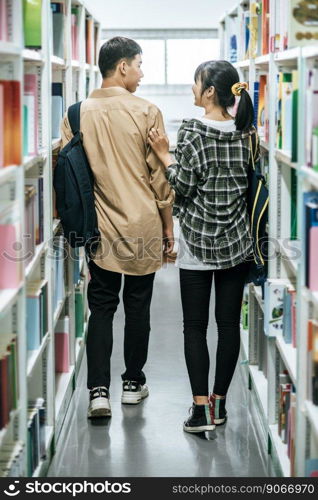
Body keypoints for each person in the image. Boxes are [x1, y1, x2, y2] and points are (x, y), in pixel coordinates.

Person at [60, 37, 174, 418]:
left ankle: (97, 392)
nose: (142, 74)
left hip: (99, 229)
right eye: (139, 65)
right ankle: (132, 383)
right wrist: (169, 232)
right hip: (143, 226)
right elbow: (161, 181)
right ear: (122, 66)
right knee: (138, 308)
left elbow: (69, 174)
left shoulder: (76, 114)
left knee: (102, 309)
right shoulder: (147, 112)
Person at [148, 60, 257, 434]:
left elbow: (183, 185)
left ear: (210, 91)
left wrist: (165, 155)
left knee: (194, 327)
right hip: (237, 244)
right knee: (228, 326)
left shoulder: (193, 132)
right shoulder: (247, 132)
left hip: (196, 244)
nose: (192, 89)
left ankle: (199, 412)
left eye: (196, 84)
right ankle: (221, 405)